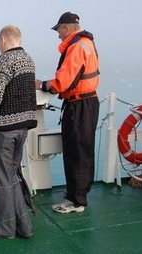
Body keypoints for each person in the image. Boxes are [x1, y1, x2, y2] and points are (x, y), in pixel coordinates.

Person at [36, 12, 100, 213]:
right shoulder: (87, 43)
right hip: (87, 103)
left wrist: (43, 84)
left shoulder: (76, 47)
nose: (58, 35)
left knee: (76, 152)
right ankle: (79, 192)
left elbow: (63, 82)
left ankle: (76, 201)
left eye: (59, 30)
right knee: (83, 150)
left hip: (79, 106)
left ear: (67, 27)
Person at [0, 25, 37, 239]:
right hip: (22, 129)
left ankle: (4, 230)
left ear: (3, 39)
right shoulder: (28, 60)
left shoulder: (2, 60)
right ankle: (24, 227)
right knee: (11, 177)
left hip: (3, 130)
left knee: (0, 180)